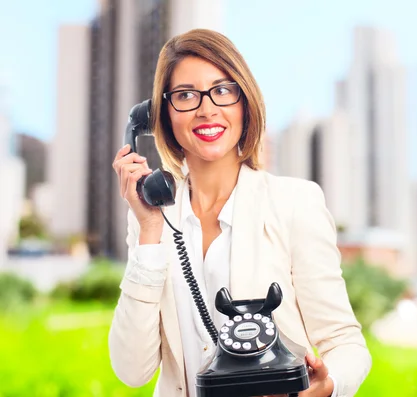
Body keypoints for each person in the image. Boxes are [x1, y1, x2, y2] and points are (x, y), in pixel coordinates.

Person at [109, 29, 371, 397]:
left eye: (223, 90)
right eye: (185, 95)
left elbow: (345, 342)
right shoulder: (151, 221)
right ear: (160, 116)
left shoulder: (295, 203)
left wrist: (329, 386)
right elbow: (131, 370)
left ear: (244, 102)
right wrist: (150, 230)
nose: (206, 108)